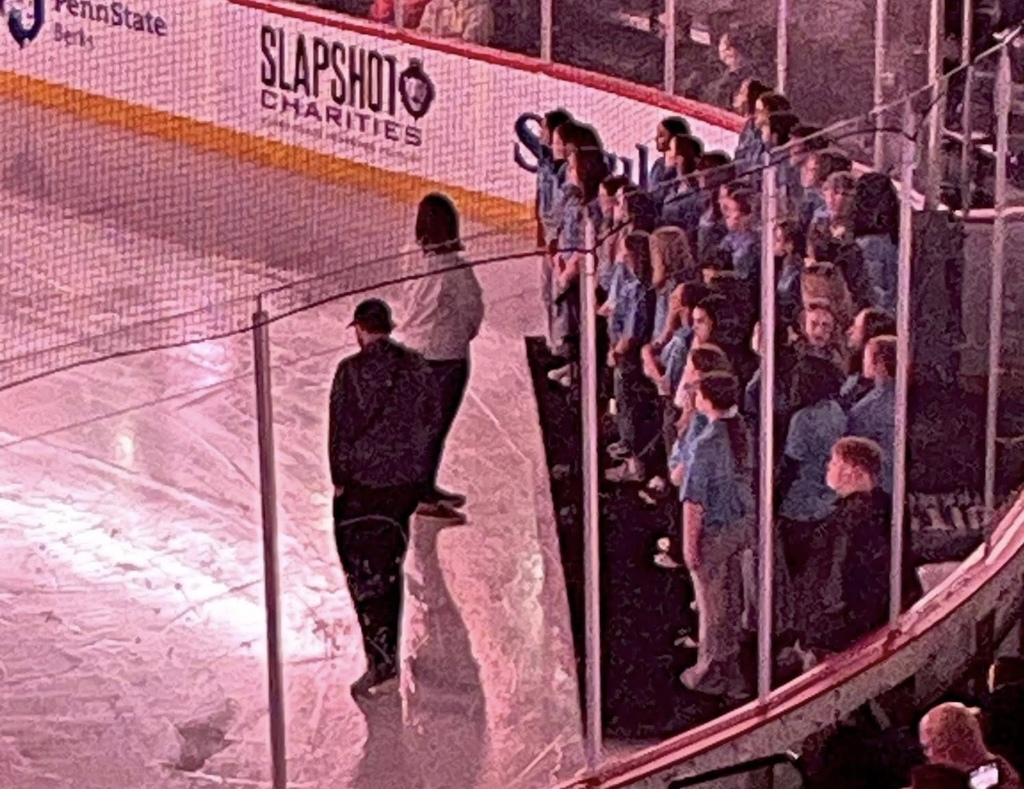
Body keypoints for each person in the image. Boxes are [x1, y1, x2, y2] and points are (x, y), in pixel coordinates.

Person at [329, 298, 439, 699]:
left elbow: (339, 431)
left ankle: (381, 660)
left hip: (361, 489)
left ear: (360, 328)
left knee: (364, 576)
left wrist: (340, 480)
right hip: (400, 489)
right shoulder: (416, 367)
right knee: (390, 568)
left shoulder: (349, 372)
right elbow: (430, 422)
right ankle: (386, 656)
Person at [398, 193, 484, 523]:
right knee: (434, 426)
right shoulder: (456, 270)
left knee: (423, 425)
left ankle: (424, 486)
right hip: (446, 356)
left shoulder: (411, 257)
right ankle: (420, 491)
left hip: (415, 348)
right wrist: (462, 337)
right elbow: (472, 312)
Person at [678, 370, 754, 701]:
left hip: (715, 532)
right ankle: (733, 669)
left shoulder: (705, 444)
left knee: (712, 606)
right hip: (743, 528)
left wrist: (688, 545)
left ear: (706, 399)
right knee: (732, 600)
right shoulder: (744, 432)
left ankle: (709, 671)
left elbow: (694, 501)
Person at [919, 703, 1024, 789]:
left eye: (927, 747)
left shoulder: (988, 778)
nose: (928, 755)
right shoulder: (993, 769)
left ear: (950, 749)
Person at [847, 335, 897, 495]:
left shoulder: (866, 409)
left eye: (867, 357)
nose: (863, 362)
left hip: (880, 485)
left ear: (879, 364)